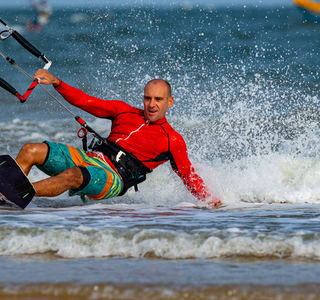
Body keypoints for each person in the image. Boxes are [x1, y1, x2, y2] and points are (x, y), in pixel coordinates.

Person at [14, 69, 221, 207]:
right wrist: (57, 82)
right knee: (30, 150)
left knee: (74, 175)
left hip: (115, 179)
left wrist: (213, 203)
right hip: (91, 158)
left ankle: (15, 194)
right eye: (148, 98)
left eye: (158, 99)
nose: (152, 104)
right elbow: (86, 101)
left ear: (170, 102)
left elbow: (189, 177)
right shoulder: (123, 111)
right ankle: (6, 202)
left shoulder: (172, 140)